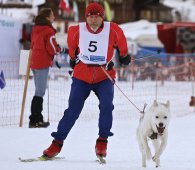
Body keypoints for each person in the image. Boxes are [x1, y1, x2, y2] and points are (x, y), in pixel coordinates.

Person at [42, 2, 130, 159]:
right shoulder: (76, 30)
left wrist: (124, 55)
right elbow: (71, 45)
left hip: (104, 75)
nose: (94, 20)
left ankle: (102, 140)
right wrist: (72, 58)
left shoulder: (113, 28)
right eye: (91, 16)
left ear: (102, 17)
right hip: (82, 75)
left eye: (97, 17)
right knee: (72, 111)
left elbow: (122, 40)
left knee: (106, 106)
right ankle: (57, 143)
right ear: (86, 17)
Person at [29, 8, 63, 128]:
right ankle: (35, 120)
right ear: (47, 18)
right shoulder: (48, 30)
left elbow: (33, 44)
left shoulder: (36, 29)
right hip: (42, 62)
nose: (54, 17)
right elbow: (51, 47)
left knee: (38, 91)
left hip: (34, 61)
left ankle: (36, 119)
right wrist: (59, 50)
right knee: (40, 92)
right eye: (52, 15)